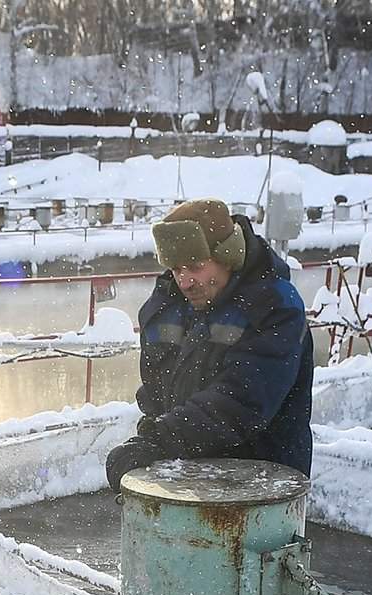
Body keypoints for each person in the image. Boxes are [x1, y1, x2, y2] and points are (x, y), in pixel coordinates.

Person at [104, 198, 313, 490]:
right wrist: (151, 434)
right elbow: (155, 386)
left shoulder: (275, 307)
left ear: (228, 257)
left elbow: (242, 401)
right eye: (176, 269)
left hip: (261, 482)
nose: (185, 281)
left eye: (195, 267)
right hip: (186, 473)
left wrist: (161, 439)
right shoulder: (167, 305)